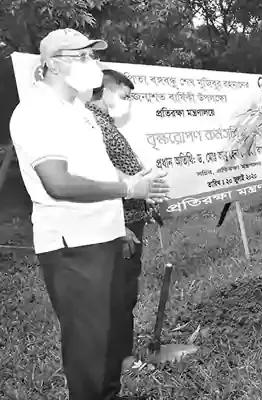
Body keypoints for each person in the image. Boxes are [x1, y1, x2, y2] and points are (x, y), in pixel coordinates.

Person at [9, 28, 169, 400]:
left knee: (110, 341)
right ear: (51, 66)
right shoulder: (36, 111)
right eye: (82, 57)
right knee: (89, 347)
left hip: (103, 237)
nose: (93, 64)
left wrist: (121, 217)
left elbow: (98, 172)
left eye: (92, 56)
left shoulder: (78, 111)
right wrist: (129, 189)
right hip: (73, 246)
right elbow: (58, 183)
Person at [85, 69, 155, 371]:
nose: (127, 102)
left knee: (125, 289)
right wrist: (119, 223)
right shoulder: (89, 125)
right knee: (118, 291)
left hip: (128, 216)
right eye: (124, 96)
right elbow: (95, 177)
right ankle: (119, 359)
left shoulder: (106, 124)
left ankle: (120, 352)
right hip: (116, 220)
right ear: (105, 90)